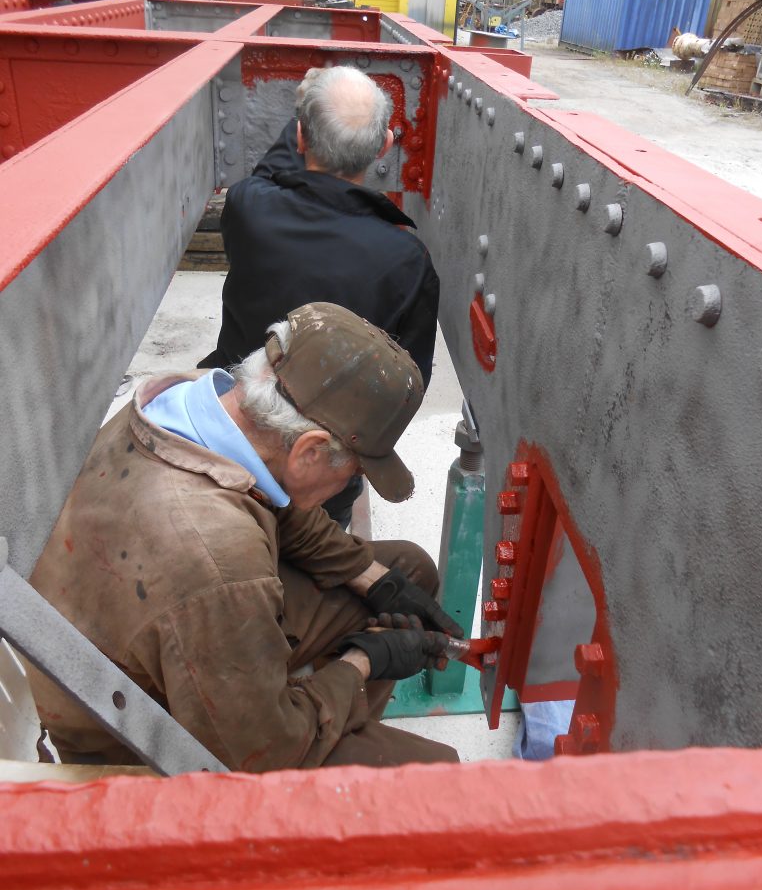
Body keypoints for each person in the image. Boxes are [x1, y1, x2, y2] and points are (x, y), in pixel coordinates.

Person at [25, 303, 462, 772]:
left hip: (151, 621)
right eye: (354, 470)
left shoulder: (196, 399)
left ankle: (331, 718)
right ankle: (325, 749)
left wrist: (376, 580)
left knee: (405, 570)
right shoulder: (220, 564)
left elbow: (274, 498)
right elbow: (265, 753)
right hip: (128, 729)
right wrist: (363, 663)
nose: (351, 482)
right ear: (309, 452)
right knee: (439, 778)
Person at [198, 64, 440, 527]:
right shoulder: (405, 260)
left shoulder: (251, 208)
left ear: (301, 138)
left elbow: (270, 173)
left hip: (230, 431)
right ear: (384, 147)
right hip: (321, 479)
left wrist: (301, 117)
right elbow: (409, 379)